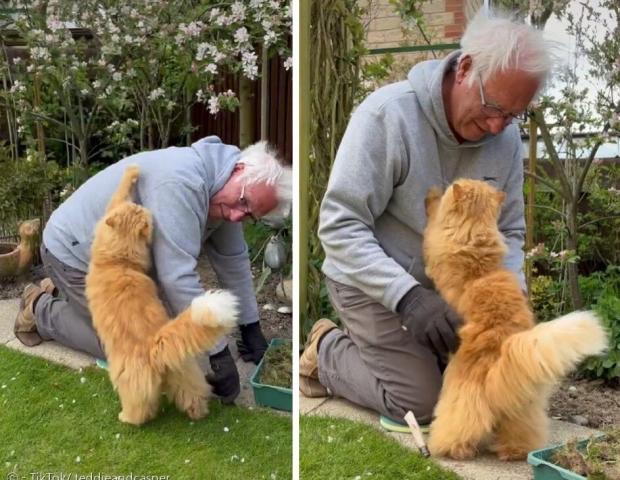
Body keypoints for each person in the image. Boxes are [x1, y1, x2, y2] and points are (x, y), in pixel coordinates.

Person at [300, 10, 554, 426]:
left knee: (498, 388)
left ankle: (416, 352)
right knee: (420, 402)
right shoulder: (387, 117)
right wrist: (408, 297)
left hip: (447, 291)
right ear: (466, 68)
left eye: (512, 115)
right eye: (492, 107)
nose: (496, 125)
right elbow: (339, 225)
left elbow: (507, 230)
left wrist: (509, 300)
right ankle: (326, 350)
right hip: (371, 280)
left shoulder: (505, 139)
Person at [14, 135, 292, 404]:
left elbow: (233, 260)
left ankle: (60, 290)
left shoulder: (228, 188)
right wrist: (218, 353)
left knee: (167, 332)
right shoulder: (181, 182)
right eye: (242, 203)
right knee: (138, 354)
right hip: (74, 257)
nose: (236, 216)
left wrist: (250, 326)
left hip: (124, 269)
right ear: (239, 169)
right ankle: (39, 309)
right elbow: (177, 277)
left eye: (249, 215)